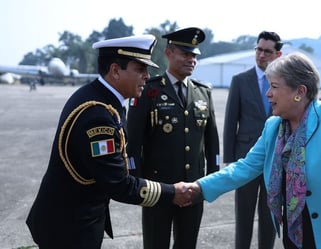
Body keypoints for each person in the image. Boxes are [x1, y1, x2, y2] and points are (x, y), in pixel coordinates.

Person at [183, 52, 321, 249]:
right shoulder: (273, 127)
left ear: (300, 92)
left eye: (274, 86)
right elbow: (245, 167)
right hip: (297, 236)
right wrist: (199, 187)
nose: (268, 93)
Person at [25, 35, 194, 249]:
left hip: (69, 220)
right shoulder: (98, 115)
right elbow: (118, 184)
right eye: (140, 69)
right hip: (69, 228)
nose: (147, 76)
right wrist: (172, 193)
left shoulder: (100, 98)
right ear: (115, 71)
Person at [126, 27, 220, 249]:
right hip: (158, 188)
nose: (192, 60)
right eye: (185, 54)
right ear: (169, 53)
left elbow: (212, 141)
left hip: (193, 188)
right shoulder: (149, 91)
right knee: (155, 243)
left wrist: (211, 180)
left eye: (195, 55)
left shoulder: (203, 92)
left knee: (187, 243)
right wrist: (137, 183)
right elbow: (133, 143)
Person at [223, 31, 282, 249]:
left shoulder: (285, 82)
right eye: (259, 49)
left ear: (278, 54)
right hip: (246, 158)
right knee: (244, 215)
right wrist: (230, 160)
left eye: (268, 51)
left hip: (276, 159)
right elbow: (230, 122)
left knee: (270, 215)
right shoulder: (240, 80)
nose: (262, 55)